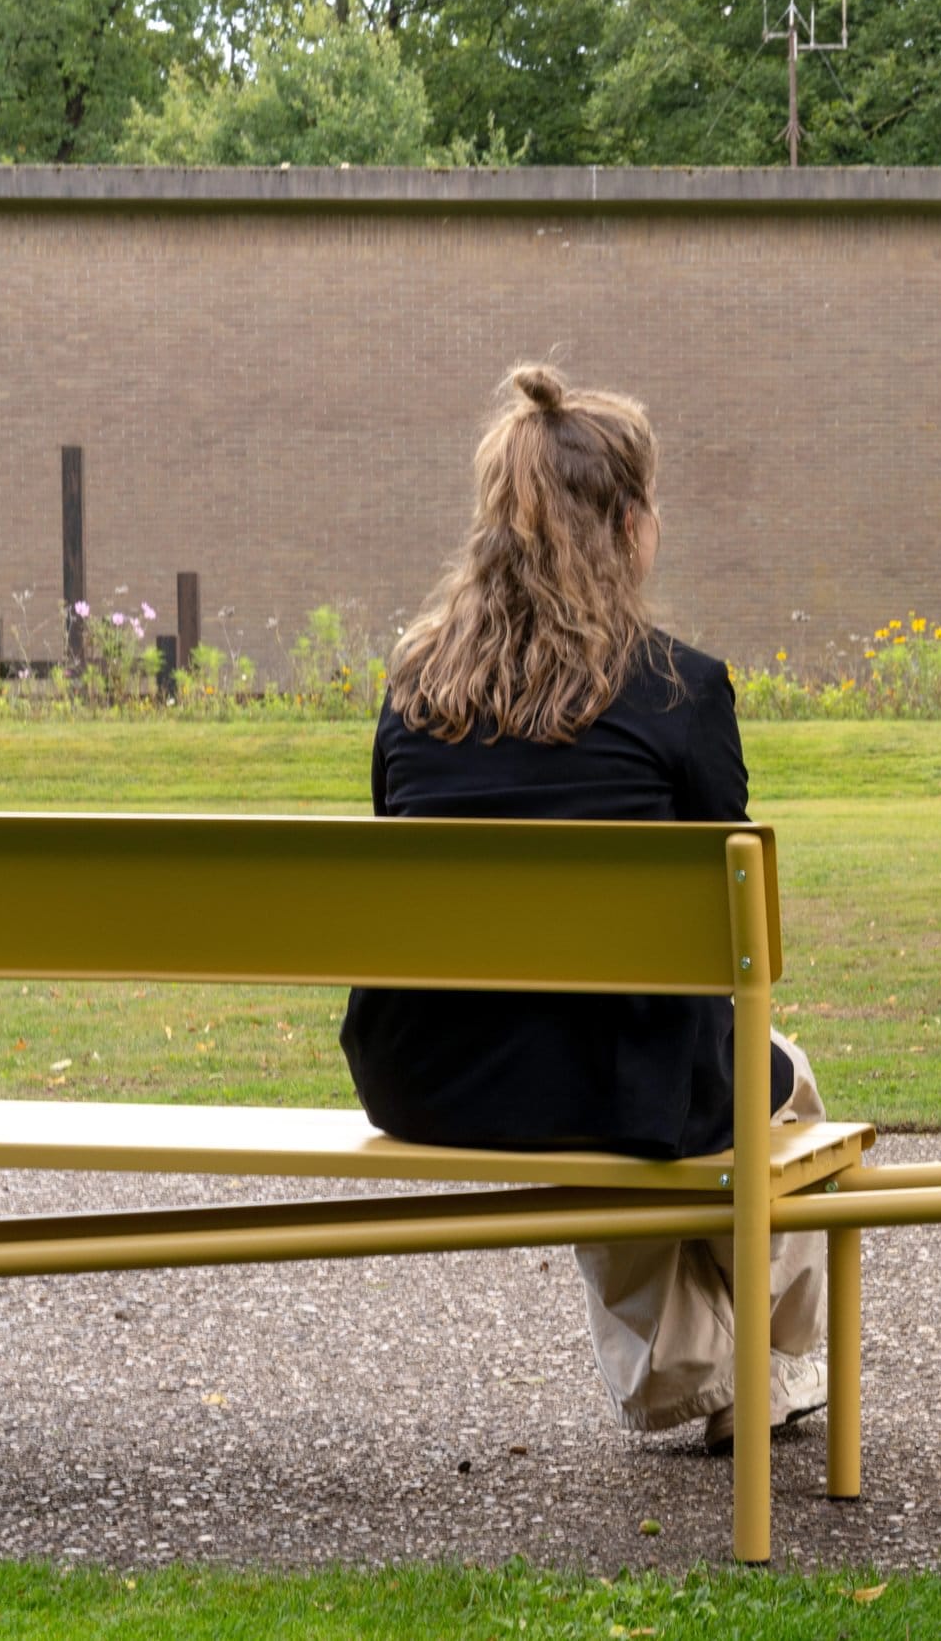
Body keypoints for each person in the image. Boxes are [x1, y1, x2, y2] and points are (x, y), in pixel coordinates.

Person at [340, 362, 826, 1453]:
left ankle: (707, 1372)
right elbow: (719, 923)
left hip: (432, 1073)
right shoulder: (679, 687)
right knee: (757, 1084)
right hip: (624, 1084)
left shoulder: (414, 690)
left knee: (633, 1067)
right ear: (625, 524)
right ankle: (777, 1367)